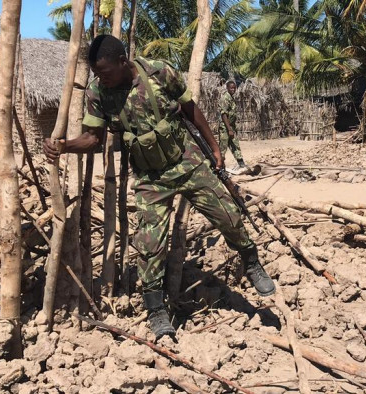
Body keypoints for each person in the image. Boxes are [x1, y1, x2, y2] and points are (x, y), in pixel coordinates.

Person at [43, 35, 275, 339]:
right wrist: (65, 145)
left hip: (187, 161)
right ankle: (156, 310)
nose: (102, 79)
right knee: (150, 247)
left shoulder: (159, 72)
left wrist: (215, 148)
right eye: (98, 74)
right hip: (150, 178)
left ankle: (251, 261)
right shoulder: (98, 93)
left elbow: (191, 109)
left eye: (107, 73)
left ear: (123, 62)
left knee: (228, 216)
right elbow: (94, 139)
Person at [217, 81, 247, 169]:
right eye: (231, 88)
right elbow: (224, 115)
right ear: (227, 88)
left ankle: (241, 164)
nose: (233, 89)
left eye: (234, 88)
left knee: (235, 145)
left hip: (231, 127)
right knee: (223, 148)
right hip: (225, 128)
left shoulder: (231, 98)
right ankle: (219, 166)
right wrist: (229, 129)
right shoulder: (225, 98)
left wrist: (231, 128)